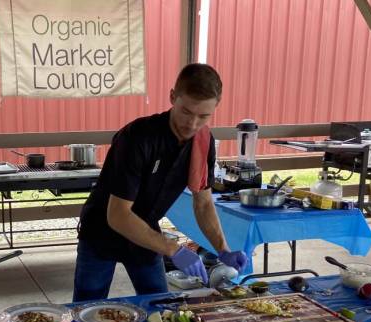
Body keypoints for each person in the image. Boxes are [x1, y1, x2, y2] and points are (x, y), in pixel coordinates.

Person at [73, 63, 247, 302]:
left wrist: (223, 249)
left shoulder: (203, 141)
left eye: (203, 116)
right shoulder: (137, 137)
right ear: (173, 97)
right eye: (186, 111)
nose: (192, 124)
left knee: (160, 304)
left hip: (145, 232)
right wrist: (174, 249)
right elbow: (118, 215)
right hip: (102, 231)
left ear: (215, 107)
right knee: (87, 306)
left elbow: (204, 203)